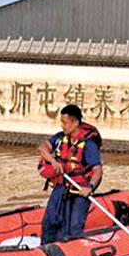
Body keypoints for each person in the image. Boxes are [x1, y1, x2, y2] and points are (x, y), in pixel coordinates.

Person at [38, 104, 103, 243]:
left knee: (74, 227)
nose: (62, 126)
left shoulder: (88, 145)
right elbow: (43, 147)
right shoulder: (61, 138)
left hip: (80, 190)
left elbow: (97, 170)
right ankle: (47, 249)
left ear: (75, 123)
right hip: (62, 186)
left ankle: (74, 253)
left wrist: (90, 187)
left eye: (65, 122)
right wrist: (53, 161)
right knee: (50, 220)